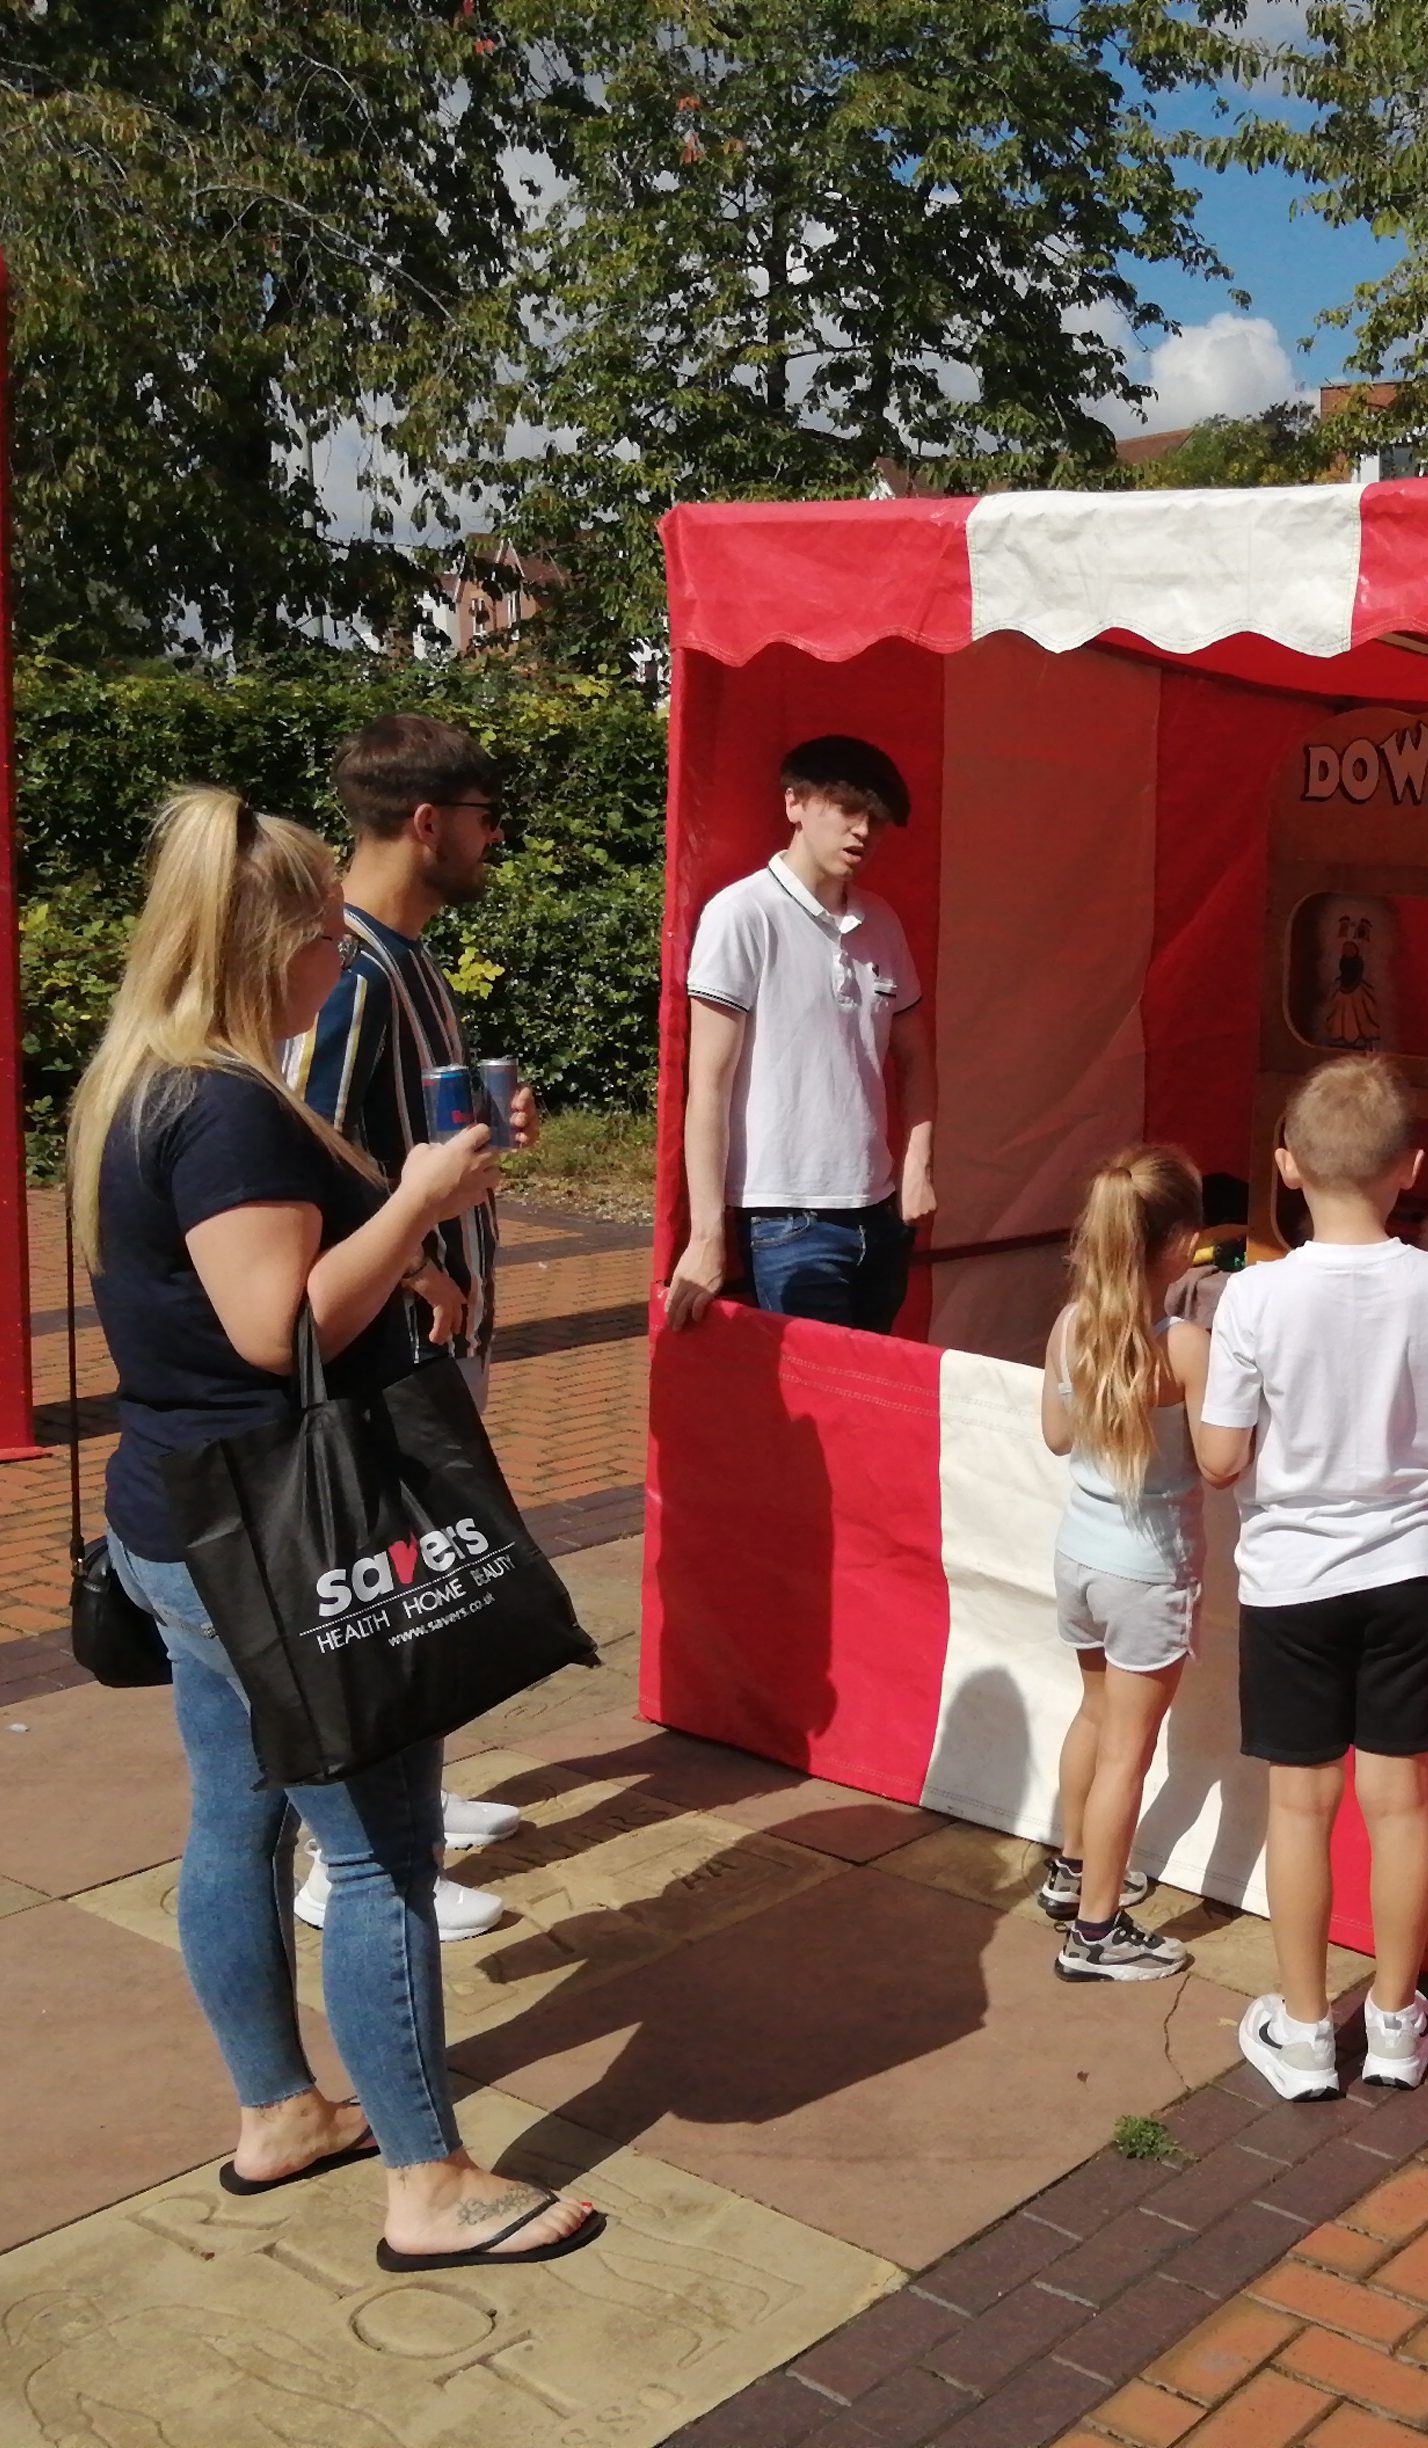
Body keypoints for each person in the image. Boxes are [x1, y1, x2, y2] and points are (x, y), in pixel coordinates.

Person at [68, 786, 603, 2270]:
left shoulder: (148, 1077)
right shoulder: (226, 1106)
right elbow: (270, 1323)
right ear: (268, 941)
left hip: (183, 1526)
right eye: (317, 925)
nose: (337, 949)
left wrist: (412, 1219)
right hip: (285, 1546)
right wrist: (424, 1194)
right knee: (375, 1860)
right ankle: (431, 2183)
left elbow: (279, 1269)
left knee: (232, 1826)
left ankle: (282, 2112)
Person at [1192, 1055, 1428, 2099]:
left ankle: (1299, 2029)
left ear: (1284, 1167)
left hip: (1291, 1575)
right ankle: (1390, 2020)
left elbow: (1224, 1459)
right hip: (1411, 1568)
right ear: (1412, 1169)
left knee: (1300, 1807)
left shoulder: (1252, 1298)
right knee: (1401, 1802)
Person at [281, 714, 541, 1941]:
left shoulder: (411, 961)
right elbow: (311, 1160)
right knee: (391, 1589)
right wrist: (414, 1268)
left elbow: (401, 1143)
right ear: (428, 822)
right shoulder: (350, 971)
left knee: (433, 1578)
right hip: (387, 1345)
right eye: (487, 817)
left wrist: (491, 1136)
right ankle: (357, 1863)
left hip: (433, 1336)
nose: (497, 841)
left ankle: (416, 1811)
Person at [664, 735, 936, 1332]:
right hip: (786, 1217)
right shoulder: (742, 914)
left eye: (877, 820)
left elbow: (916, 1057)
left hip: (881, 1208)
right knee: (814, 1408)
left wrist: (917, 1168)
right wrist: (707, 1235)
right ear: (795, 804)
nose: (862, 832)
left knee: (864, 1401)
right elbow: (706, 1085)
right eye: (845, 809)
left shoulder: (882, 921)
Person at [1036, 1147, 1211, 1983]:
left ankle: (1074, 1872)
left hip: (1080, 1553)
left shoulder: (1072, 1324)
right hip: (1148, 1570)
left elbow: (1057, 1435)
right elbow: (1220, 1462)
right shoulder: (1182, 1345)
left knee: (1095, 1717)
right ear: (1181, 1242)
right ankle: (1098, 1931)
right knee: (1127, 1753)